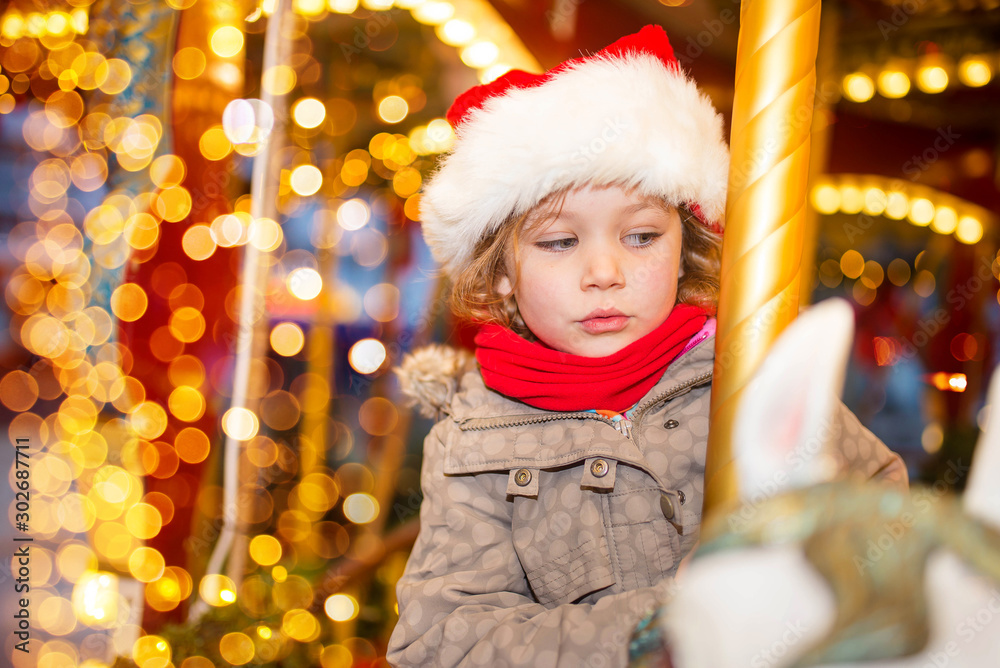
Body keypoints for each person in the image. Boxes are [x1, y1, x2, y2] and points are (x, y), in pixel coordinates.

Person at [386, 25, 908, 668]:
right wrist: (663, 625)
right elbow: (442, 643)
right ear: (501, 272)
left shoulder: (744, 380)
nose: (605, 272)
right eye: (559, 242)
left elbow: (881, 505)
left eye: (640, 237)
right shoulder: (472, 443)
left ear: (683, 250)